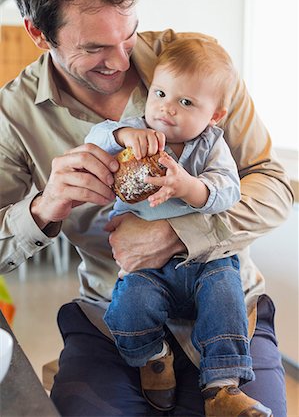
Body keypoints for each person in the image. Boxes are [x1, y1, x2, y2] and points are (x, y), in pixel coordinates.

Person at [0, 0, 292, 416]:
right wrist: (41, 208)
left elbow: (273, 184)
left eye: (128, 36)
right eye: (94, 48)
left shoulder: (198, 66)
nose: (119, 62)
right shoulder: (14, 116)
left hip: (231, 305)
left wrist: (180, 233)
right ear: (39, 34)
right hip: (112, 317)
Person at [84, 37, 272, 415]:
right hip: (148, 268)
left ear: (214, 115)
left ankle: (222, 386)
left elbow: (229, 191)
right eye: (161, 93)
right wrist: (122, 135)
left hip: (207, 262)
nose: (167, 109)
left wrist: (190, 187)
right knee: (130, 306)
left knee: (226, 302)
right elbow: (94, 138)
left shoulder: (211, 146)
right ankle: (154, 357)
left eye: (186, 102)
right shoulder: (136, 132)